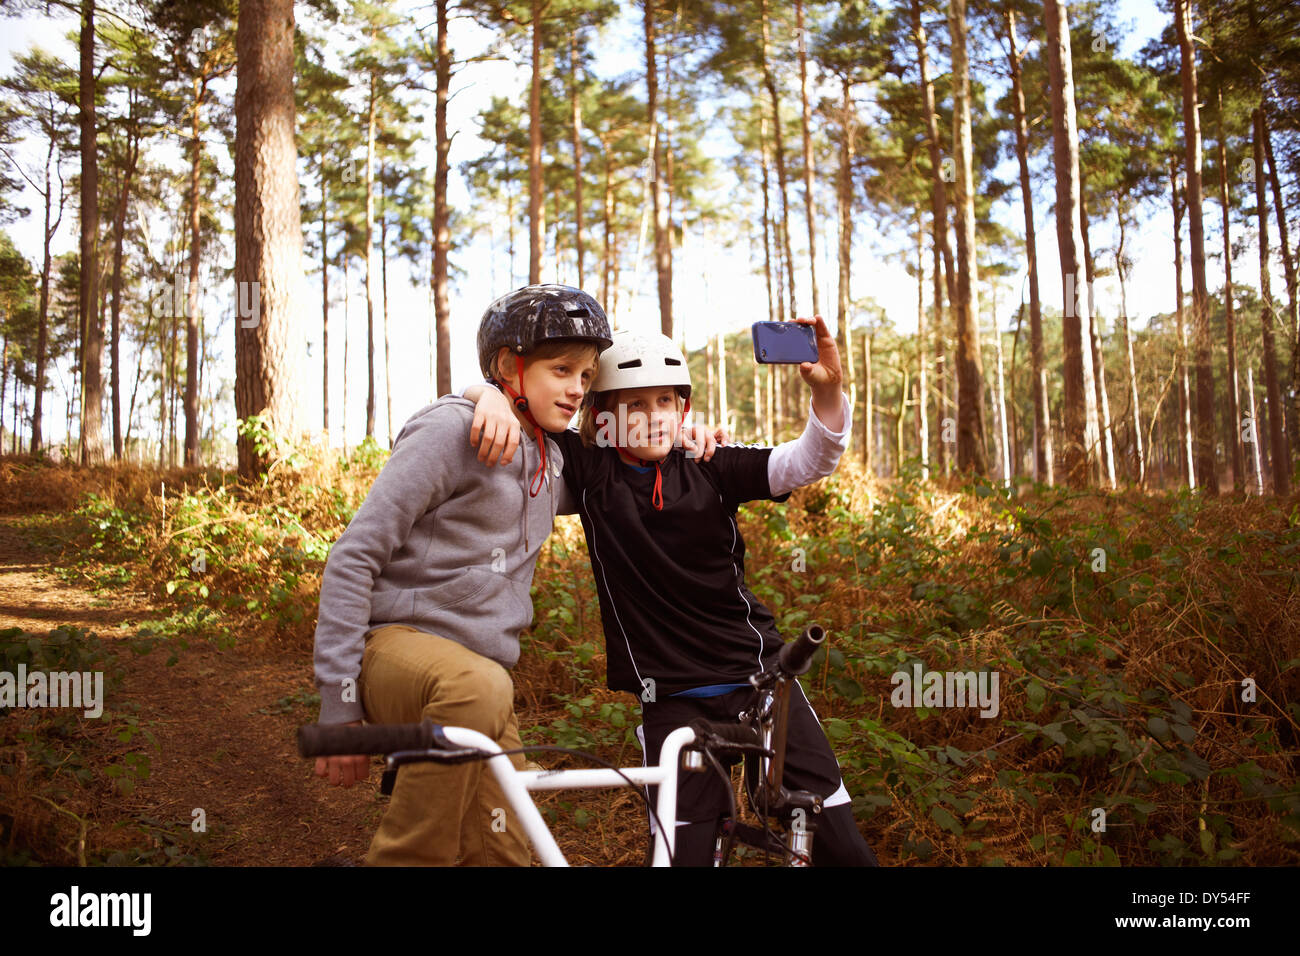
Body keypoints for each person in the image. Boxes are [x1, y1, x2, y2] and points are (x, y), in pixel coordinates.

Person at [466, 315, 880, 866]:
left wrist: (827, 389)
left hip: (759, 681)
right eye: (635, 405)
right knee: (683, 858)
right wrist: (487, 395)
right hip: (672, 702)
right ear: (603, 415)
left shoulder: (711, 464)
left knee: (844, 852)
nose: (654, 417)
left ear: (683, 408)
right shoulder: (589, 470)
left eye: (666, 401)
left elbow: (809, 460)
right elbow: (522, 426)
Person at [309, 283, 613, 866]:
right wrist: (339, 707)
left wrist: (694, 439)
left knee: (506, 853)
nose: (577, 388)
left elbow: (632, 466)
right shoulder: (453, 432)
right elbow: (354, 556)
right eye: (561, 369)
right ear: (509, 365)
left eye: (586, 374)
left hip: (479, 688)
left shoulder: (553, 457)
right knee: (479, 686)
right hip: (397, 650)